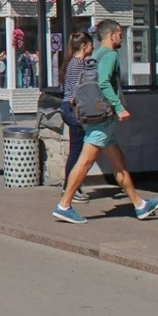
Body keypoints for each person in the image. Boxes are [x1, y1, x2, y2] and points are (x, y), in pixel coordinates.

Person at [53, 20, 158, 224]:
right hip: (102, 118)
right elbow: (103, 82)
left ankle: (139, 205)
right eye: (120, 34)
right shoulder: (110, 55)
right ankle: (64, 204)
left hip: (97, 116)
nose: (122, 37)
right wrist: (119, 108)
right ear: (111, 35)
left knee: (119, 164)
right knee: (85, 162)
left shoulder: (95, 56)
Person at [58, 32, 93, 204]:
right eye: (91, 44)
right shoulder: (80, 64)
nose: (93, 48)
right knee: (77, 152)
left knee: (76, 150)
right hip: (74, 109)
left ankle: (71, 186)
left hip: (68, 108)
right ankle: (70, 187)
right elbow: (81, 88)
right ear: (84, 46)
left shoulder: (71, 62)